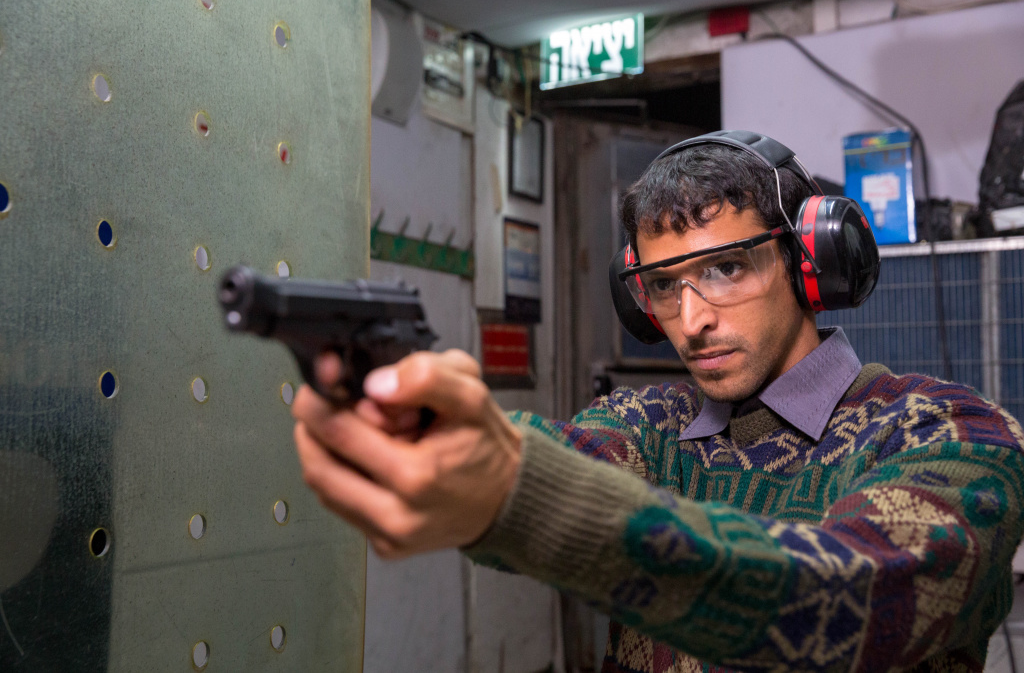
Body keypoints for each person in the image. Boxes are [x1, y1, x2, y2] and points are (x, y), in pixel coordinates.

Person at [291, 131, 1024, 672]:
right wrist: (430, 430)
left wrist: (519, 488)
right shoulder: (650, 426)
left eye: (727, 267)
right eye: (665, 286)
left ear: (810, 262)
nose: (692, 318)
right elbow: (553, 454)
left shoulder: (950, 434)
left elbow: (847, 598)